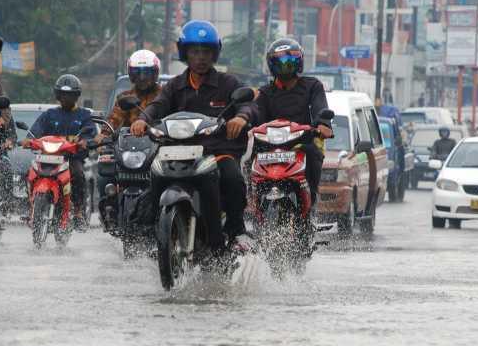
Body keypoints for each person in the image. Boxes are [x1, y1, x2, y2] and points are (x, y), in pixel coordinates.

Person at [130, 20, 257, 253]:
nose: (200, 57)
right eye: (195, 51)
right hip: (177, 150)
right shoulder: (174, 86)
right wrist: (142, 119)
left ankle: (234, 231)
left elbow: (248, 105)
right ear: (185, 53)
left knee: (232, 178)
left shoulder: (228, 83)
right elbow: (158, 106)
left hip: (217, 151)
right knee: (152, 177)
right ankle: (153, 232)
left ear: (214, 54)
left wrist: (241, 118)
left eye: (206, 52)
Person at [254, 38, 332, 203]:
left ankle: (311, 202)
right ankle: (249, 204)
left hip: (301, 143)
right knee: (247, 160)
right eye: (280, 62)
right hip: (269, 146)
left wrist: (322, 125)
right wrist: (246, 127)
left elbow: (320, 108)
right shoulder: (265, 92)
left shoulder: (313, 86)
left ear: (299, 62)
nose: (285, 66)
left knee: (313, 154)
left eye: (290, 61)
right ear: (271, 64)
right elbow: (256, 117)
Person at [22, 74, 96, 228]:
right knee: (29, 173)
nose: (66, 98)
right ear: (57, 95)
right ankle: (31, 207)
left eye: (70, 95)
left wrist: (85, 142)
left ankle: (78, 212)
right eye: (63, 95)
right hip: (48, 157)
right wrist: (28, 139)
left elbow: (90, 133)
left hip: (71, 158)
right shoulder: (50, 115)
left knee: (78, 174)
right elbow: (36, 130)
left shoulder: (84, 115)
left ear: (76, 96)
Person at [97, 49, 163, 202]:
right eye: (137, 73)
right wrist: (104, 134)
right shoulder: (125, 97)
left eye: (147, 73)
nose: (142, 78)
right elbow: (114, 118)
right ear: (131, 74)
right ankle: (110, 213)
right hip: (129, 149)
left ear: (155, 74)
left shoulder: (164, 95)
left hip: (158, 150)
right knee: (104, 178)